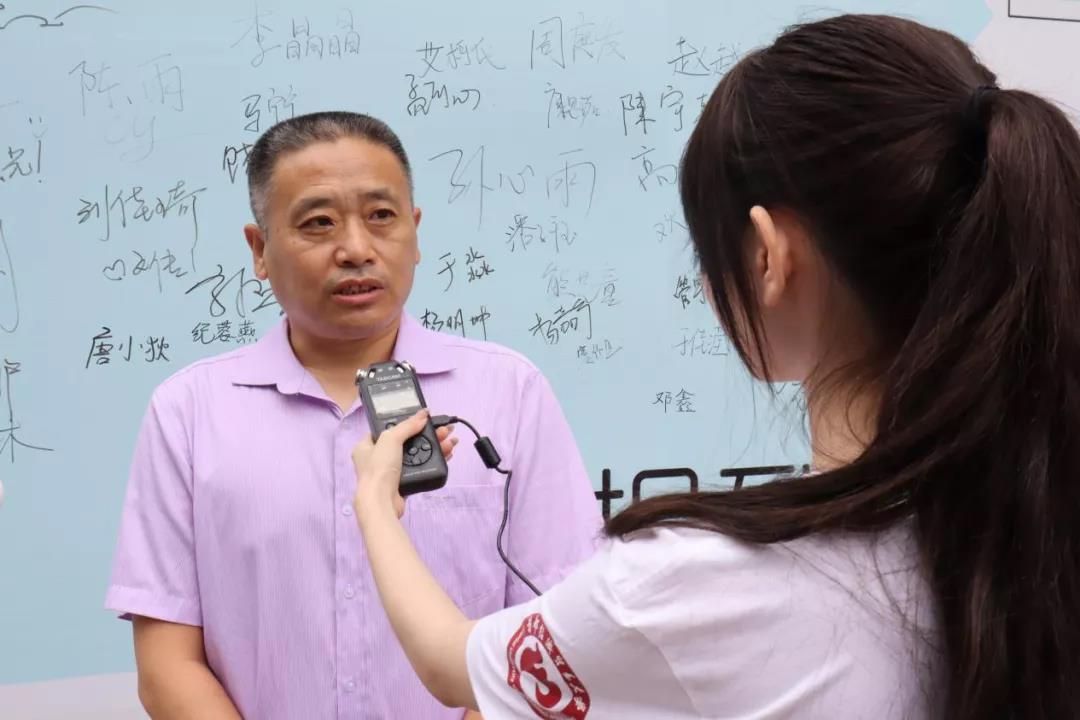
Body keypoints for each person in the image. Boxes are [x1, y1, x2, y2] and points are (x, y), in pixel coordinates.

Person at [350, 14, 1080, 719]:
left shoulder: (698, 581)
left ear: (767, 256)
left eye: (707, 249)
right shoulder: (1035, 520)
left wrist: (376, 504)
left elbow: (452, 663)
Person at [105, 111, 603, 719]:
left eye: (381, 216)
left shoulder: (509, 391)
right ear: (259, 250)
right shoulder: (187, 411)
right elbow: (167, 666)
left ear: (415, 233)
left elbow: (558, 630)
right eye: (318, 223)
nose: (357, 250)